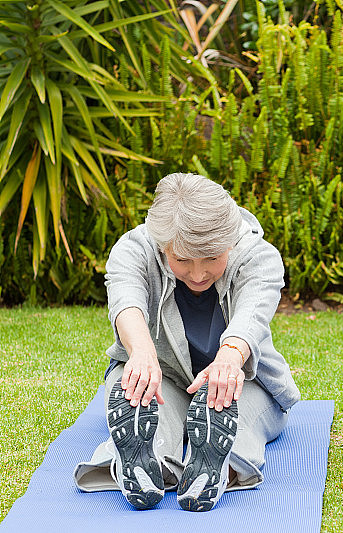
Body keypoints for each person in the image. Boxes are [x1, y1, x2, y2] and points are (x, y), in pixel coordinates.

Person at [74, 172, 300, 512]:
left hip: (244, 380)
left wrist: (229, 359)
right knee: (146, 408)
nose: (198, 275)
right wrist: (141, 352)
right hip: (160, 376)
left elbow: (252, 312)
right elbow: (126, 299)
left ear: (229, 242)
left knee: (235, 418)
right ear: (162, 244)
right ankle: (147, 466)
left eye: (211, 259)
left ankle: (214, 468)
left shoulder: (258, 256)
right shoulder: (133, 250)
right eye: (182, 260)